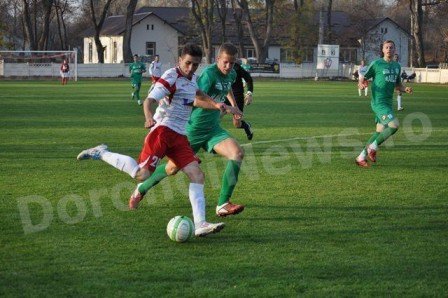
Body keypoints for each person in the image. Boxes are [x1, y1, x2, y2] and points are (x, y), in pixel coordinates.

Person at [77, 43, 241, 237]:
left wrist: (216, 103)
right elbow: (149, 100)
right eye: (187, 63)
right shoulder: (171, 77)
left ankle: (200, 224)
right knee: (142, 174)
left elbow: (198, 93)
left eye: (195, 65)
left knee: (197, 175)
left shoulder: (193, 78)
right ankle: (102, 152)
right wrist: (148, 117)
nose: (190, 68)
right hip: (163, 131)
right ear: (179, 60)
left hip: (180, 135)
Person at [135, 43, 246, 217]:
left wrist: (234, 106)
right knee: (172, 169)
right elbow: (194, 99)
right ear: (218, 59)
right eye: (225, 62)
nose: (228, 66)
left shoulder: (231, 74)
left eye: (232, 63)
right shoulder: (208, 75)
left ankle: (223, 203)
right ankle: (142, 187)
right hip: (192, 129)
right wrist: (220, 107)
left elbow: (227, 86)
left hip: (213, 128)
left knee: (237, 153)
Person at [355, 40, 413, 167]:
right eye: (386, 47)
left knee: (379, 131)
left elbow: (398, 85)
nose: (389, 49)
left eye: (391, 47)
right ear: (382, 50)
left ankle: (361, 157)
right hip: (378, 102)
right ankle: (373, 148)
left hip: (388, 103)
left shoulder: (397, 66)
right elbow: (363, 77)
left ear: (395, 50)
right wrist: (361, 83)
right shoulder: (376, 64)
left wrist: (405, 88)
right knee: (394, 125)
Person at [224, 59, 254, 140]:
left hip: (237, 97)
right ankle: (214, 142)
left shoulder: (237, 68)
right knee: (215, 117)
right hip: (224, 95)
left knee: (237, 124)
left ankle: (246, 126)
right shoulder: (217, 68)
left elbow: (248, 79)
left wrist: (249, 93)